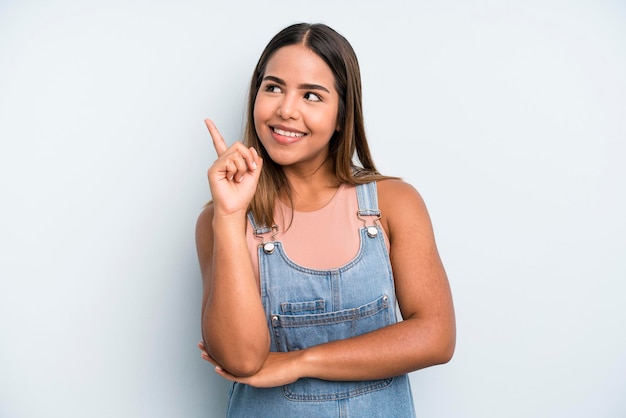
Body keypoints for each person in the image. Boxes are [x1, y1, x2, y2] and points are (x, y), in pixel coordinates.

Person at [196, 22, 456, 417]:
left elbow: (436, 336)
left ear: (340, 115)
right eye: (273, 87)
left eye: (312, 95)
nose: (286, 109)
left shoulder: (394, 203)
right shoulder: (223, 219)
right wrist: (231, 216)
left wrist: (300, 362)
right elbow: (241, 361)